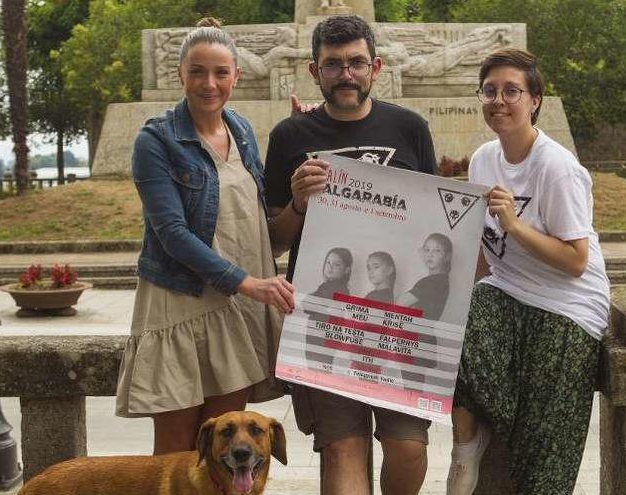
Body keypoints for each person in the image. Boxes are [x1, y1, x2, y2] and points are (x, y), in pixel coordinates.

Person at [264, 15, 437, 495]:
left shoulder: (410, 128)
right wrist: (298, 204)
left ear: (375, 67)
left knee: (408, 446)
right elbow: (275, 241)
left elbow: (435, 223)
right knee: (342, 445)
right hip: (325, 318)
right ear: (314, 71)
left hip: (401, 318)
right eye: (333, 64)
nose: (347, 73)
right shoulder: (288, 137)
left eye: (357, 62)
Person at [114, 17, 295, 455]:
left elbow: (256, 225)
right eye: (197, 71)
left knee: (224, 455)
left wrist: (301, 138)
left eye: (220, 72)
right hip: (182, 306)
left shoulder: (243, 131)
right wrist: (249, 283)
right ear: (180, 75)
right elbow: (172, 233)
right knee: (176, 459)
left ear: (236, 76)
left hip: (234, 310)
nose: (209, 83)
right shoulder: (156, 140)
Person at [446, 48, 611, 495]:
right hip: (507, 289)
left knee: (543, 452)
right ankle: (465, 452)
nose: (499, 100)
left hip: (567, 307)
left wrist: (514, 224)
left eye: (512, 91)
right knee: (450, 323)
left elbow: (576, 261)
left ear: (534, 99)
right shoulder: (483, 159)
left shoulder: (556, 168)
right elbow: (485, 247)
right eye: (490, 90)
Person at [396, 233, 452, 320]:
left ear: (447, 256)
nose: (430, 254)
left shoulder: (434, 282)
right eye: (427, 250)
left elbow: (400, 303)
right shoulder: (443, 280)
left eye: (437, 251)